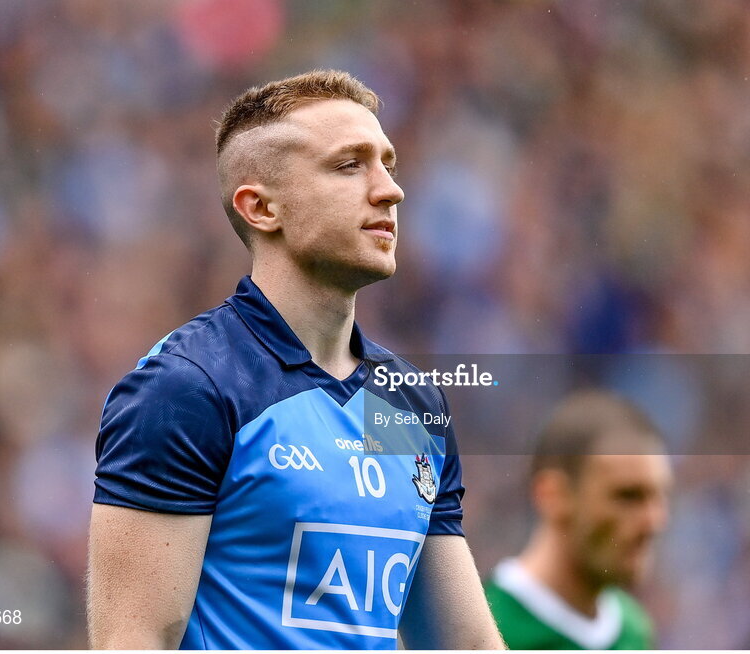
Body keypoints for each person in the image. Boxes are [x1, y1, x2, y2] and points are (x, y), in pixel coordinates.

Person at [86, 70, 505, 650]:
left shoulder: (412, 403)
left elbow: (464, 645)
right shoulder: (188, 388)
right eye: (349, 165)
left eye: (388, 164)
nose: (390, 190)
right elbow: (132, 641)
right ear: (261, 208)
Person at [486, 390, 672, 649]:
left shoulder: (634, 629)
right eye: (628, 496)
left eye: (659, 496)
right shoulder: (487, 628)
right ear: (553, 495)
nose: (654, 521)